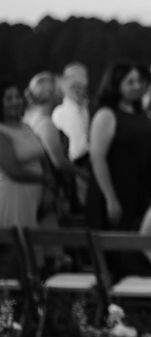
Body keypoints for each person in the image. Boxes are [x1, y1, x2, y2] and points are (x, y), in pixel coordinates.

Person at [86, 62, 151, 232]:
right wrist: (110, 197)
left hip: (141, 187)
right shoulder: (106, 114)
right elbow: (98, 158)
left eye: (139, 81)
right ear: (115, 85)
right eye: (130, 82)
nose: (137, 86)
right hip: (117, 187)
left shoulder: (140, 113)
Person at [23, 72, 76, 225]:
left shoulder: (29, 117)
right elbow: (59, 162)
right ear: (52, 94)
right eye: (61, 90)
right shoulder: (46, 123)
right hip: (47, 192)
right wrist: (83, 175)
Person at [0, 77, 49, 231]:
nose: (15, 101)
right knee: (20, 246)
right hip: (14, 196)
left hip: (35, 197)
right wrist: (44, 179)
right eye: (8, 98)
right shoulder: (2, 131)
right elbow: (12, 170)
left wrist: (48, 185)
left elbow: (42, 156)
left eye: (17, 97)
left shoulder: (27, 127)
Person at [51, 61, 91, 209]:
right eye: (75, 85)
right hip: (75, 170)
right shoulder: (61, 112)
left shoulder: (88, 108)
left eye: (82, 85)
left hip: (87, 167)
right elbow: (74, 149)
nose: (80, 89)